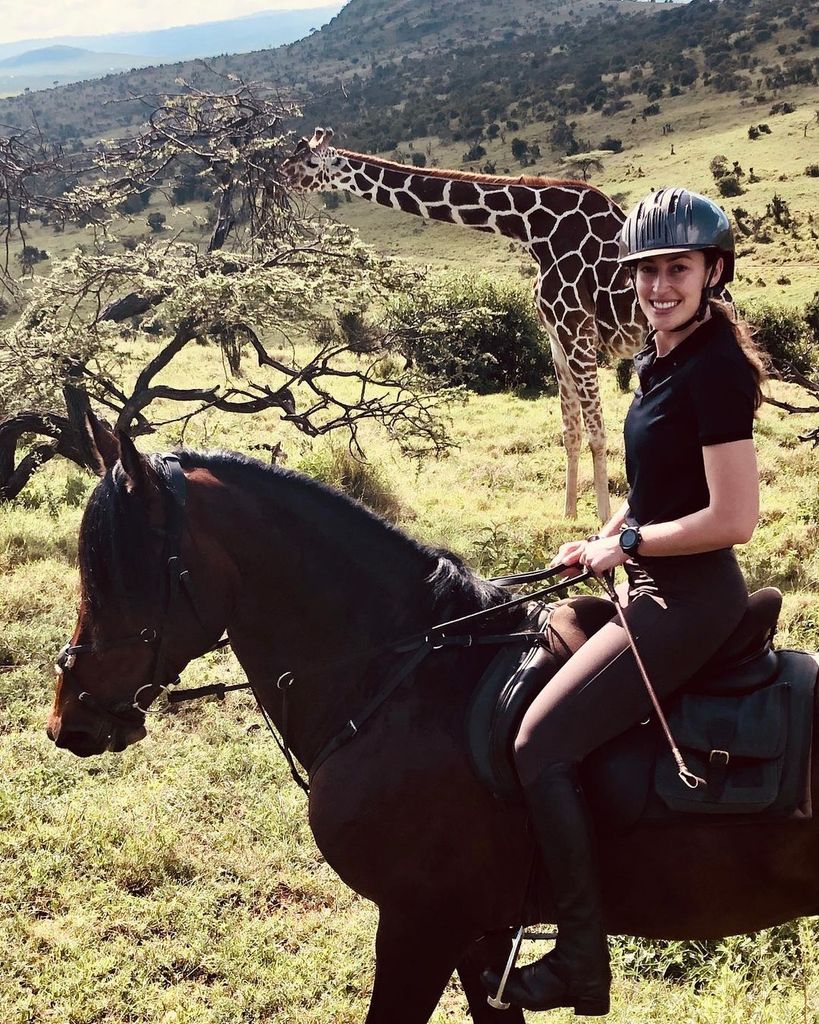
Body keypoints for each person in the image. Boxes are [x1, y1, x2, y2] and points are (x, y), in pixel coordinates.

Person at [482, 187, 769, 1014]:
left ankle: (581, 960)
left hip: (688, 598)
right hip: (646, 579)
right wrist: (605, 533)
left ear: (712, 271)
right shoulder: (660, 355)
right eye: (644, 271)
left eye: (675, 268)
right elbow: (656, 486)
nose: (656, 286)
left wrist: (630, 546)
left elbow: (734, 517)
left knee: (539, 745)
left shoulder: (713, 369)